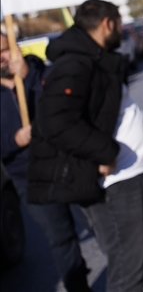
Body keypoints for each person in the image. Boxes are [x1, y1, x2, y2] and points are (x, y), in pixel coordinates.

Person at [28, 1, 143, 292]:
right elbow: (54, 121)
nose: (122, 29)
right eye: (119, 23)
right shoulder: (76, 63)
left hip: (126, 177)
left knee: (129, 265)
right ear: (107, 23)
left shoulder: (93, 57)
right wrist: (106, 151)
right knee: (128, 272)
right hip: (116, 180)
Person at [2, 32, 92, 292]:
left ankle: (126, 280)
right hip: (28, 177)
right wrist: (14, 141)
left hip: (67, 165)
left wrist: (29, 76)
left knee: (98, 225)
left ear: (15, 48)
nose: (1, 58)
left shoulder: (43, 74)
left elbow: (66, 105)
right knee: (60, 238)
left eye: (4, 50)